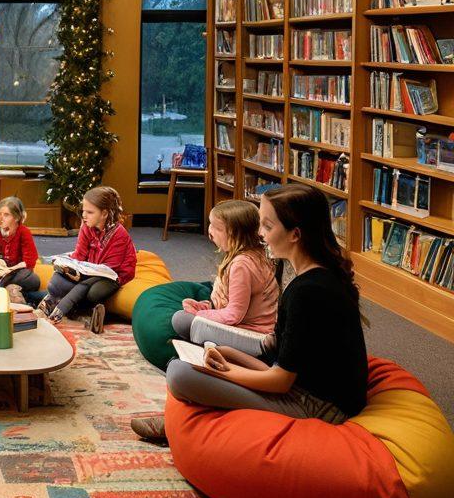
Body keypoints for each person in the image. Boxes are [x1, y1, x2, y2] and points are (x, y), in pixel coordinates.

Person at [132, 184, 368, 443]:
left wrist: (223, 372)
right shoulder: (310, 277)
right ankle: (182, 426)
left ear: (295, 234)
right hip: (298, 386)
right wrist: (228, 354)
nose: (259, 233)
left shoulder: (308, 291)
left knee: (179, 373)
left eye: (267, 226)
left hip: (316, 407)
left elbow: (280, 381)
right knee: (192, 362)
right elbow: (278, 357)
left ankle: (179, 428)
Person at [171, 199, 279, 356]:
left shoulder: (242, 265)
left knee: (180, 320)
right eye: (210, 224)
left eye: (217, 228)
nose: (210, 231)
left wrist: (201, 315)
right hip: (251, 326)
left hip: (253, 336)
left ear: (236, 234)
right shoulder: (257, 253)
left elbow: (234, 315)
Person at [37, 185, 136, 332]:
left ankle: (78, 310)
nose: (84, 215)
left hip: (111, 274)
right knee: (56, 283)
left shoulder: (119, 234)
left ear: (104, 214)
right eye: (83, 210)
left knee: (94, 292)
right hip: (89, 269)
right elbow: (79, 255)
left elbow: (108, 270)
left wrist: (76, 288)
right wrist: (68, 267)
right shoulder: (86, 226)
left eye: (89, 212)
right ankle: (79, 311)